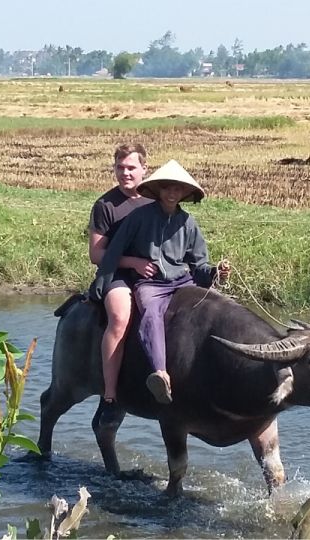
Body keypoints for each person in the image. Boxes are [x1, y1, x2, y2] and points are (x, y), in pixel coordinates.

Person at [91, 159, 230, 405]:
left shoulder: (188, 223)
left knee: (216, 309)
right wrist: (103, 284)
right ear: (158, 190)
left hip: (182, 280)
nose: (172, 193)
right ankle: (160, 372)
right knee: (151, 314)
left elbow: (199, 266)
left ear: (185, 193)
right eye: (167, 188)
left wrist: (215, 273)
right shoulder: (138, 217)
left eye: (177, 189)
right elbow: (113, 251)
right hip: (151, 284)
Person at [89, 144, 155, 418]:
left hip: (154, 274)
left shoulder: (156, 201)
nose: (125, 173)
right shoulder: (105, 205)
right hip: (117, 274)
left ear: (144, 169)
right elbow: (96, 254)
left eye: (131, 168)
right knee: (119, 318)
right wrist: (133, 263)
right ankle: (110, 393)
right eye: (120, 167)